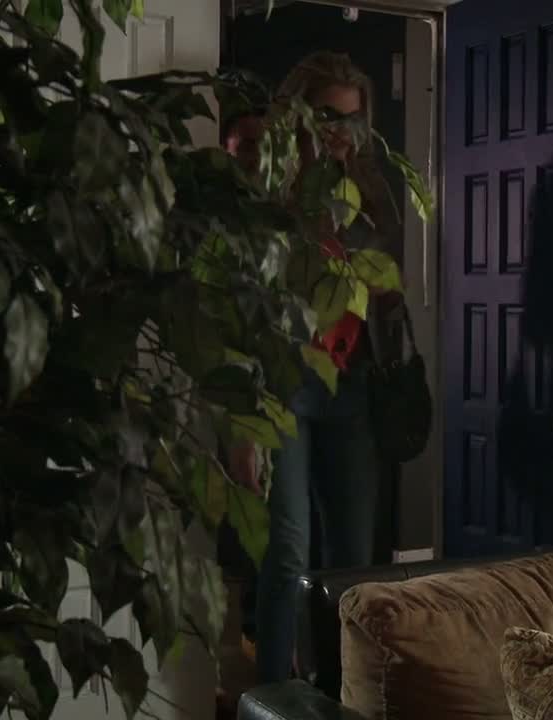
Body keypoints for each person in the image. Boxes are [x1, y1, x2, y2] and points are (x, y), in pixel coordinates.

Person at [223, 51, 397, 685]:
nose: (339, 130)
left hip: (350, 384)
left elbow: (386, 274)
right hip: (281, 387)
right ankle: (274, 697)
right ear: (296, 112)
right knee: (287, 552)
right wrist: (241, 426)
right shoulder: (266, 185)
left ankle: (344, 693)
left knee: (353, 560)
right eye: (327, 114)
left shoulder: (368, 187)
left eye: (352, 118)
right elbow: (239, 305)